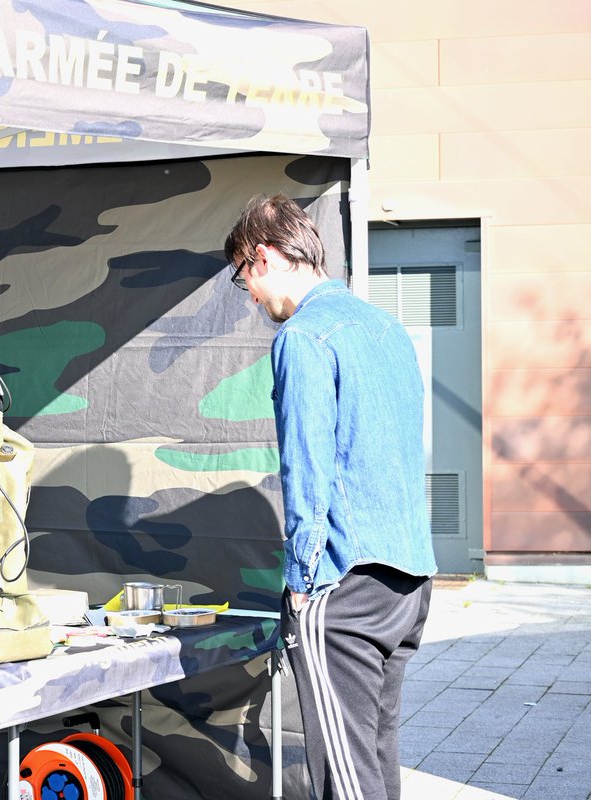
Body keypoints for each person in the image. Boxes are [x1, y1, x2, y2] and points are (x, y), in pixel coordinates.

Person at [224, 194, 437, 800]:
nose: (253, 300)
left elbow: (307, 467)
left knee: (346, 778)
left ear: (260, 257)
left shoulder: (304, 337)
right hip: (408, 575)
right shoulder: (387, 328)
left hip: (343, 581)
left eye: (244, 282)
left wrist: (301, 580)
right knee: (374, 756)